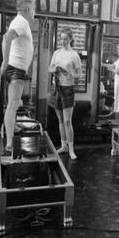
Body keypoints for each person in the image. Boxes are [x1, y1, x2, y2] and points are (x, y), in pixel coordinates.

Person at [1, 0, 36, 153]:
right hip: (16, 70)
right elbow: (7, 37)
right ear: (28, 9)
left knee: (14, 104)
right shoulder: (21, 22)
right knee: (13, 104)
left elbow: (6, 38)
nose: (34, 11)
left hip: (16, 69)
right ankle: (9, 143)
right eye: (34, 7)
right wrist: (5, 60)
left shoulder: (19, 22)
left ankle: (13, 126)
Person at [48, 28, 81, 160]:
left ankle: (71, 149)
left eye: (65, 39)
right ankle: (64, 146)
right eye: (61, 38)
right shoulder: (56, 53)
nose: (63, 41)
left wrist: (70, 72)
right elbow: (49, 68)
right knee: (60, 120)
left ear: (71, 39)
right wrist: (54, 69)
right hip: (57, 88)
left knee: (67, 121)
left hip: (68, 89)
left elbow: (79, 74)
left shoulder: (74, 55)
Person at [103, 43, 119, 114]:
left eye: (118, 49)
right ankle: (117, 110)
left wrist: (111, 70)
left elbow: (118, 72)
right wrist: (102, 64)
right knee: (117, 95)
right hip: (118, 79)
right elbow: (112, 65)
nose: (117, 50)